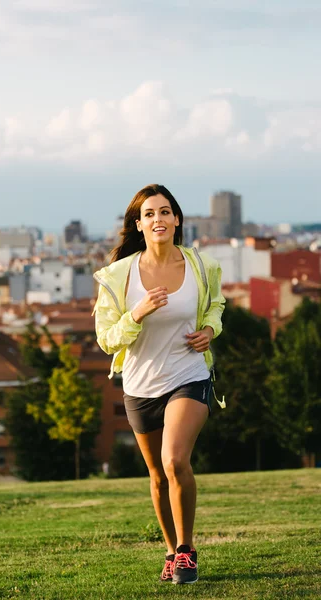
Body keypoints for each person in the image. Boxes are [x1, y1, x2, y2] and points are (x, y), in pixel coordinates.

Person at [93, 184, 225, 585]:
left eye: (165, 212)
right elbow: (106, 339)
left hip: (188, 376)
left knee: (174, 461)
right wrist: (137, 312)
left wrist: (209, 329)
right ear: (139, 224)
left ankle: (186, 551)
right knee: (156, 475)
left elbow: (216, 306)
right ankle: (170, 551)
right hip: (139, 385)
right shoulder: (118, 276)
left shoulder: (202, 266)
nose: (158, 219)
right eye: (149, 214)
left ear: (177, 219)